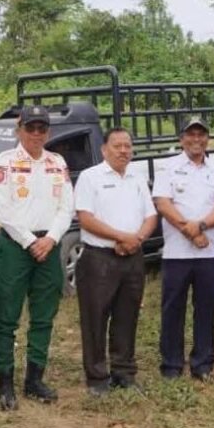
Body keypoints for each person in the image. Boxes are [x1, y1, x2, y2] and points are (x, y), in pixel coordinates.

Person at [0, 105, 76, 410]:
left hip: (49, 245)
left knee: (43, 315)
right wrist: (30, 242)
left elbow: (67, 207)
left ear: (48, 132)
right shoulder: (5, 162)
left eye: (42, 128)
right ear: (19, 129)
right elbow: (3, 210)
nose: (36, 134)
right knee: (6, 316)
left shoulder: (57, 161)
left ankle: (34, 379)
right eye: (31, 128)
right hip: (16, 245)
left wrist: (50, 239)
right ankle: (4, 384)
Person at [74, 128, 158, 395]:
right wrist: (121, 237)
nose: (123, 151)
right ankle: (97, 378)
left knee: (127, 316)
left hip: (133, 257)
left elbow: (151, 216)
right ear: (104, 149)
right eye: (118, 146)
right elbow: (86, 218)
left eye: (128, 146)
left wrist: (137, 239)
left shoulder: (137, 177)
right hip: (99, 257)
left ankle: (124, 373)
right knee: (95, 318)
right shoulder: (90, 177)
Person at [152, 116, 214, 382]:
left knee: (207, 309)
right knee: (173, 309)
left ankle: (203, 363)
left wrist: (199, 226)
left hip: (210, 253)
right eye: (191, 134)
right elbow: (163, 203)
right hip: (177, 253)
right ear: (181, 138)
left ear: (207, 138)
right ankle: (172, 365)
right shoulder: (169, 167)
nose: (196, 139)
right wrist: (190, 231)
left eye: (201, 134)